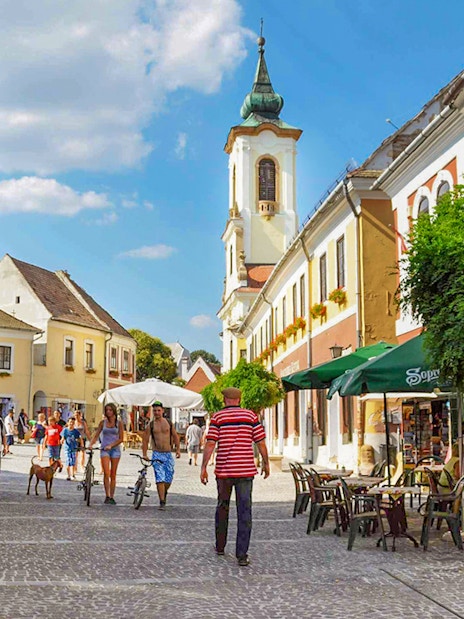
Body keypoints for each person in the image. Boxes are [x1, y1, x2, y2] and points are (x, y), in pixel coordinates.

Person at [200, 387, 270, 567]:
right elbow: (260, 442)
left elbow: (210, 444)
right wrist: (266, 463)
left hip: (224, 471)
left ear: (225, 399)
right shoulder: (251, 416)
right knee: (244, 511)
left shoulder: (217, 418)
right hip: (246, 471)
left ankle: (220, 545)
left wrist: (204, 467)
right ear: (239, 399)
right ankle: (242, 554)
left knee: (222, 507)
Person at [142, 401, 181, 510]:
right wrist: (144, 454)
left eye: (159, 410)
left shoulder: (168, 422)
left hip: (168, 454)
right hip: (157, 454)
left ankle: (164, 492)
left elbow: (175, 436)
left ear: (163, 411)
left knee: (168, 478)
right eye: (154, 411)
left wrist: (178, 449)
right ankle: (162, 501)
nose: (157, 412)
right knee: (160, 478)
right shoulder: (151, 425)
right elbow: (145, 440)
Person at [89, 403, 124, 505]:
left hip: (115, 449)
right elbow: (96, 435)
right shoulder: (102, 423)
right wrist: (91, 444)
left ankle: (112, 496)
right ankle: (107, 495)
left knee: (113, 473)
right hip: (104, 449)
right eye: (107, 410)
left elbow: (121, 438)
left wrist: (112, 445)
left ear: (113, 411)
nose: (108, 412)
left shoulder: (119, 423)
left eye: (110, 410)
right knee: (106, 472)